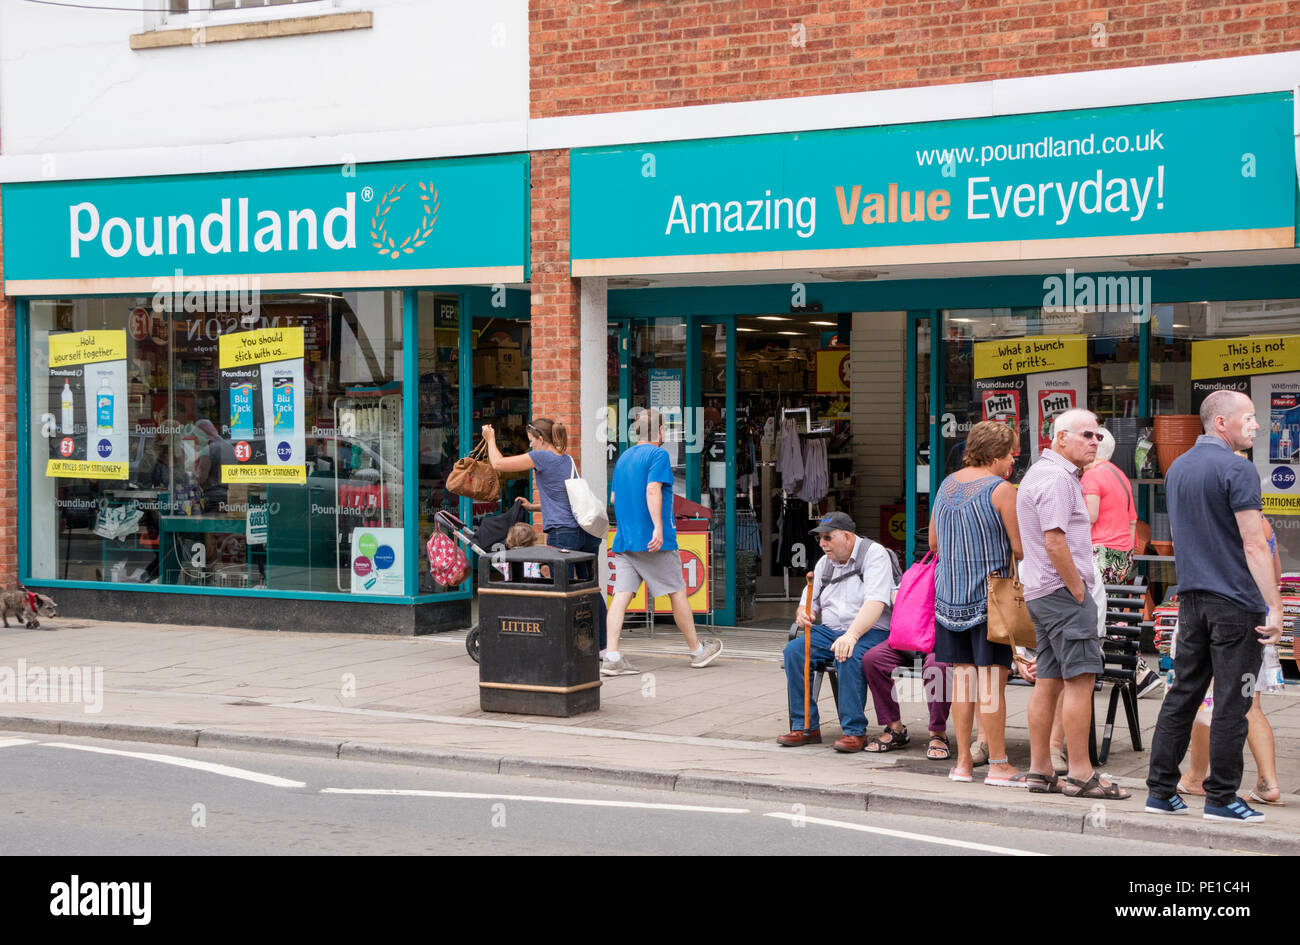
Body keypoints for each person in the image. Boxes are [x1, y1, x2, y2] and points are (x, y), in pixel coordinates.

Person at [1146, 409, 1284, 822]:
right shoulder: (1237, 470)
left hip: (1191, 601)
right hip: (1236, 605)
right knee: (1233, 702)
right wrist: (1274, 605)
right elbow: (1254, 543)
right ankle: (1222, 798)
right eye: (1250, 417)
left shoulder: (1179, 467)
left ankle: (1160, 791)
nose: (1257, 425)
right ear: (1221, 421)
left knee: (1183, 694)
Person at [1018, 408, 1130, 799]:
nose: (1095, 442)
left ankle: (1039, 770)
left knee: (1048, 682)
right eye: (1087, 435)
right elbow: (1054, 541)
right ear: (1060, 437)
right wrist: (1079, 590)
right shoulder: (1058, 478)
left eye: (1098, 436)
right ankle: (1081, 773)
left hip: (1042, 593)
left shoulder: (1041, 473)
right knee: (1080, 682)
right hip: (1062, 594)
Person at [930, 420, 1023, 786]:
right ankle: (998, 764)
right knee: (991, 685)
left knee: (963, 685)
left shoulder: (946, 485)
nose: (1012, 461)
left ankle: (964, 763)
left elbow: (935, 543)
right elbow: (1019, 548)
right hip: (990, 603)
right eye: (1010, 454)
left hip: (949, 600)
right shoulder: (1001, 490)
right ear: (996, 455)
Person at [602, 408, 722, 675]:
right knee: (676, 591)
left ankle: (611, 655)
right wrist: (657, 527)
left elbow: (613, 499)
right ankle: (697, 651)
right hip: (654, 541)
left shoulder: (623, 458)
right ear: (659, 432)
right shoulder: (658, 454)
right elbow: (652, 488)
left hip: (624, 540)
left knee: (620, 597)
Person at [777, 511, 897, 752]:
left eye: (827, 538)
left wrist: (851, 635)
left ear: (847, 536)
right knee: (794, 652)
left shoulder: (874, 554)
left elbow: (876, 602)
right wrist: (804, 612)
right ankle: (806, 726)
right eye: (819, 538)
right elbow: (810, 600)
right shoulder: (825, 562)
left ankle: (854, 731)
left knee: (847, 653)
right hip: (832, 629)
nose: (822, 544)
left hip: (870, 630)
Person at [482, 417, 606, 650]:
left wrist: (490, 439)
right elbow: (567, 499)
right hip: (586, 533)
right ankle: (603, 646)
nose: (530, 446)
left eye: (531, 441)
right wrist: (533, 507)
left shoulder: (543, 456)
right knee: (589, 588)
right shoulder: (566, 459)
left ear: (540, 438)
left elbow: (498, 464)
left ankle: (564, 644)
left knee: (561, 589)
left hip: (564, 533)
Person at [860, 644, 953, 759]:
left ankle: (938, 734)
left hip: (940, 642)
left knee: (938, 666)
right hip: (906, 640)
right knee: (873, 659)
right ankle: (895, 729)